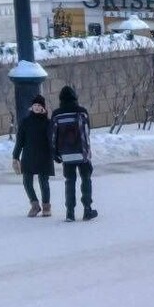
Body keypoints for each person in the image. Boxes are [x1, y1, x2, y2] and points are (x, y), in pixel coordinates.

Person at [49, 85, 96, 222]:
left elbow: (52, 135)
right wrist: (87, 151)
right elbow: (87, 132)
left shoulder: (57, 114)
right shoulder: (82, 112)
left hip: (66, 154)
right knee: (86, 179)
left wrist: (55, 154)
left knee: (69, 181)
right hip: (82, 153)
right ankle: (87, 209)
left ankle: (70, 212)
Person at [12, 94, 54, 218]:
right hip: (28, 155)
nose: (36, 107)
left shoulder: (48, 123)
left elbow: (52, 140)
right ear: (32, 107)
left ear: (43, 108)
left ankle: (46, 207)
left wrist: (55, 154)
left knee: (44, 182)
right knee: (27, 182)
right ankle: (35, 205)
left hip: (44, 155)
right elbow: (20, 141)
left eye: (39, 105)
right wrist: (15, 156)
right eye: (35, 105)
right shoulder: (25, 122)